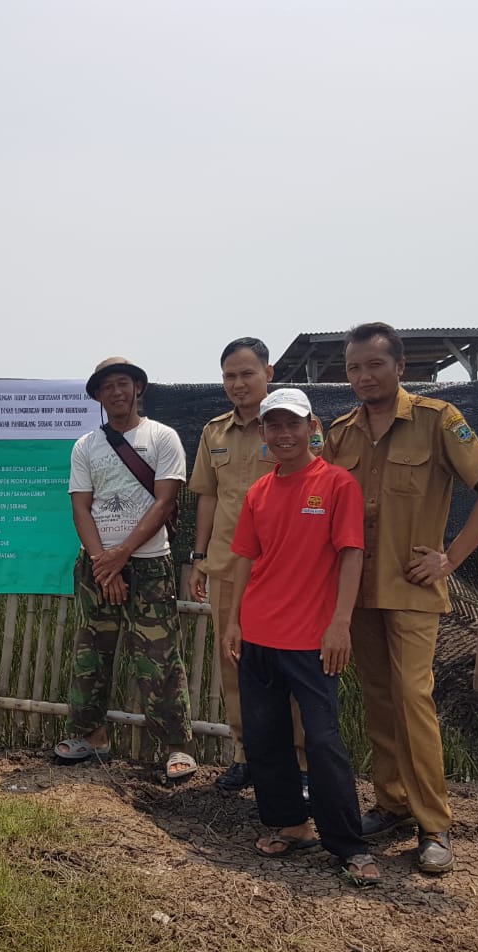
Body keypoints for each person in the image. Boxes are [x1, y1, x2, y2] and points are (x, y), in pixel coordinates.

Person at [322, 322, 478, 874]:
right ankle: (392, 804)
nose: (363, 376)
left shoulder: (438, 420)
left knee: (413, 699)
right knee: (380, 699)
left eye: (374, 365)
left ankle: (434, 824)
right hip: (357, 591)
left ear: (400, 367)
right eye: (354, 367)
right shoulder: (340, 433)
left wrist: (450, 558)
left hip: (411, 589)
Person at [222, 388, 380, 886]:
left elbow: (351, 554)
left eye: (293, 424)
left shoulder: (336, 484)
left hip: (313, 639)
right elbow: (246, 559)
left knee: (323, 740)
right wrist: (233, 621)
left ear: (313, 426)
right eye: (274, 426)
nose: (284, 435)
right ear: (264, 434)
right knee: (266, 738)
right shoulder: (258, 492)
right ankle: (292, 823)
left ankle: (348, 844)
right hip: (259, 633)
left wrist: (340, 623)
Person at [55, 357, 196, 780]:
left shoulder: (162, 437)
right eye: (106, 387)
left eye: (122, 384)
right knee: (91, 653)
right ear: (97, 396)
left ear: (137, 388)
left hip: (150, 563)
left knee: (159, 656)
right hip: (98, 565)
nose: (115, 393)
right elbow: (81, 506)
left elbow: (165, 502)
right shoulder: (85, 446)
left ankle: (176, 747)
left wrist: (122, 556)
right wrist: (105, 564)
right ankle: (89, 736)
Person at [188, 336, 308, 792]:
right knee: (232, 663)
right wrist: (199, 558)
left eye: (246, 374)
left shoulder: (290, 428)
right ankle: (246, 755)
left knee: (290, 669)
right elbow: (208, 497)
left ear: (269, 373)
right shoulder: (213, 432)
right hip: (226, 566)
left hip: (282, 571)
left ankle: (298, 765)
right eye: (229, 376)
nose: (237, 384)